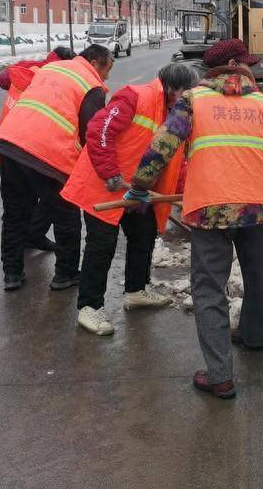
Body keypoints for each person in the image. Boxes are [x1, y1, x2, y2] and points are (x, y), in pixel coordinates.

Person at [124, 39, 263, 399]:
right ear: (235, 66)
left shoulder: (193, 100)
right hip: (258, 204)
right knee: (257, 273)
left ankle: (220, 375)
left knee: (210, 287)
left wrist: (139, 186)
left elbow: (162, 147)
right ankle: (255, 337)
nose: (252, 69)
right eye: (248, 64)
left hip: (211, 206)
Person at [61, 63, 197, 335]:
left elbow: (177, 161)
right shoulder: (135, 96)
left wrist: (184, 194)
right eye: (187, 92)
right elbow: (99, 130)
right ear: (173, 88)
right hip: (104, 184)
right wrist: (110, 174)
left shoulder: (176, 113)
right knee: (102, 244)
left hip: (139, 189)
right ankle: (89, 307)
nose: (190, 98)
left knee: (144, 235)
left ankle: (136, 291)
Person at [0, 44, 114, 291]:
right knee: (66, 215)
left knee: (15, 214)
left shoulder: (53, 67)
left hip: (10, 144)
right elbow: (91, 133)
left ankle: (12, 274)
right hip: (49, 155)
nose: (107, 76)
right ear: (96, 62)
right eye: (108, 69)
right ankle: (65, 273)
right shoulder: (92, 85)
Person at [0, 45, 76, 253]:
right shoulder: (50, 78)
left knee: (17, 206)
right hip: (34, 145)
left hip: (8, 140)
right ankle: (33, 235)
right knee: (49, 198)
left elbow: (3, 78)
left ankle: (17, 261)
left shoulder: (33, 70)